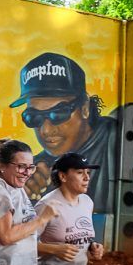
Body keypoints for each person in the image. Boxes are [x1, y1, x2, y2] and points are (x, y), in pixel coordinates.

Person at [9, 52, 117, 211]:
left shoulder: (119, 142)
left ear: (85, 107)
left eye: (58, 113)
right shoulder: (36, 171)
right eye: (34, 117)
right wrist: (21, 196)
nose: (45, 130)